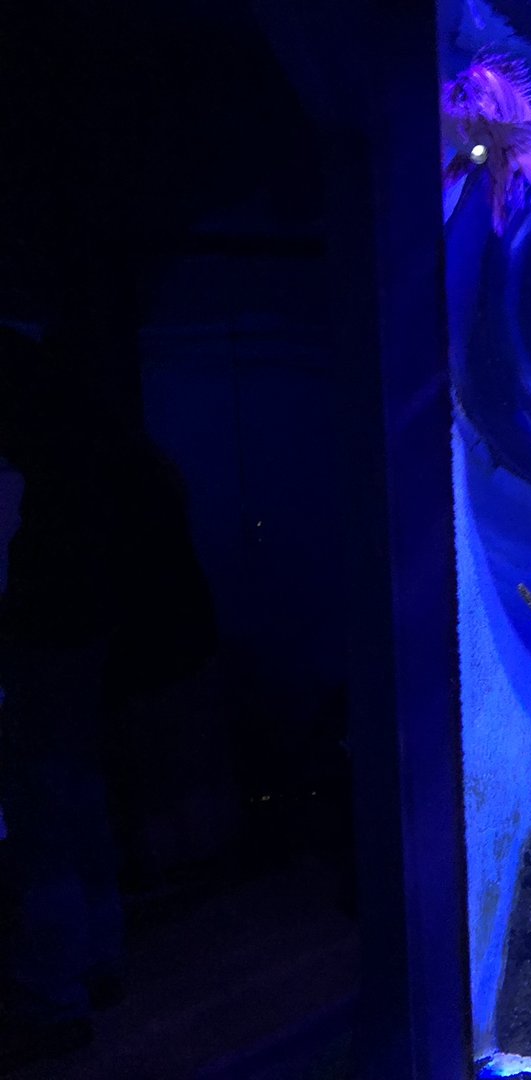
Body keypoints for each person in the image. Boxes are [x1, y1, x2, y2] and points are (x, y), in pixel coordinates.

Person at [0, 327, 217, 1067]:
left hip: (53, 635)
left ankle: (51, 994)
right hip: (89, 634)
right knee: (75, 790)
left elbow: (44, 561)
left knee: (42, 808)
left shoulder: (51, 456)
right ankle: (98, 962)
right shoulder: (102, 443)